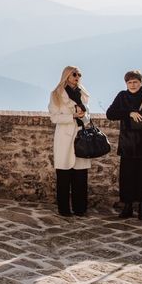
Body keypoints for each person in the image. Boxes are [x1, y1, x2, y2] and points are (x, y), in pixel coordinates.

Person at [106, 70, 142, 220]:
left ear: (141, 82)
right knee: (127, 177)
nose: (132, 85)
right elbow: (110, 113)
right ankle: (127, 207)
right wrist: (129, 112)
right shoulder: (122, 96)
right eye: (129, 82)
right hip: (128, 144)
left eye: (135, 82)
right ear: (126, 83)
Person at [48, 66, 91, 217]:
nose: (77, 77)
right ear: (66, 75)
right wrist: (72, 116)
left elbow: (88, 117)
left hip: (81, 136)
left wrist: (83, 115)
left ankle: (80, 208)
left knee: (81, 176)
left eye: (79, 74)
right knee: (64, 176)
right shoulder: (56, 95)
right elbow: (54, 117)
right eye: (74, 74)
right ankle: (64, 209)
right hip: (65, 138)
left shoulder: (83, 94)